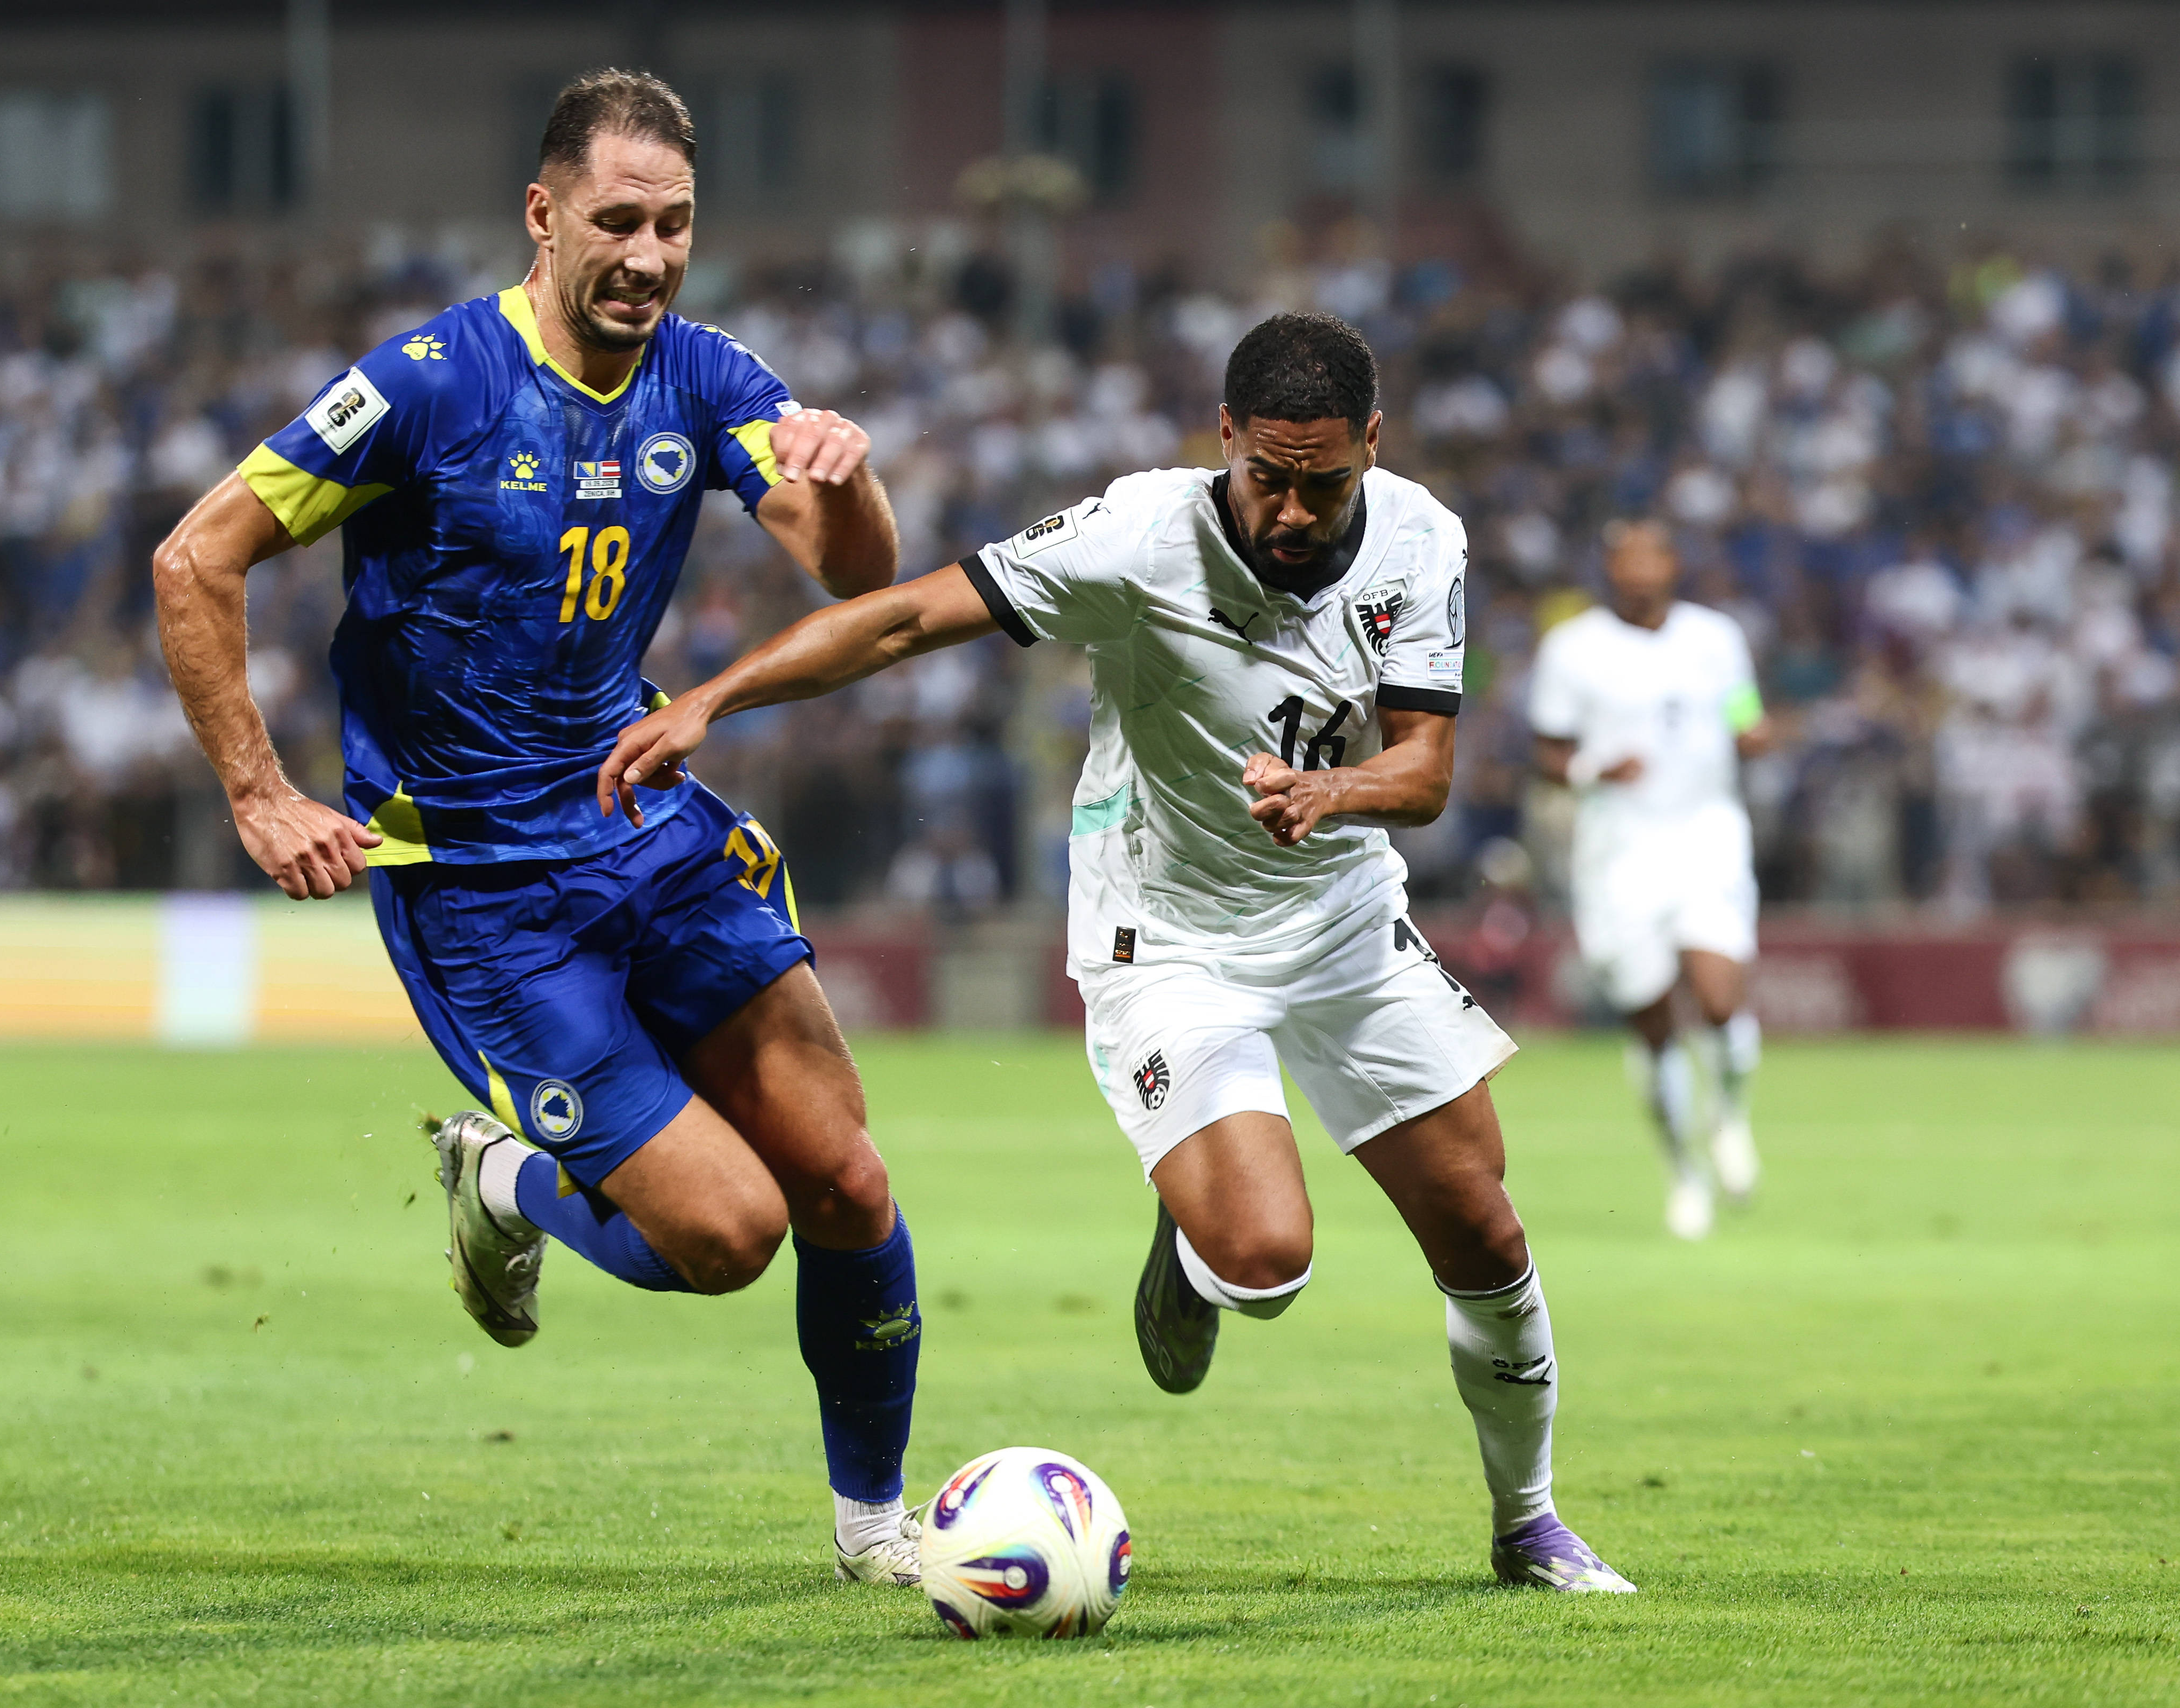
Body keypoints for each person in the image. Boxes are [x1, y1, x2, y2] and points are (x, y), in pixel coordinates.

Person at [600, 312, 1637, 1593]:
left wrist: (1337, 794)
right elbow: (901, 623)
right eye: (1269, 477)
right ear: (1225, 441)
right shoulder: (1140, 534)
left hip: (1343, 919)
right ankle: (1192, 1239)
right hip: (1172, 935)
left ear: (1374, 445)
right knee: (1266, 1265)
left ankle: (1527, 1522)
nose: (1296, 510)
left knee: (1483, 1229)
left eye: (1326, 480)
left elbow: (1424, 771)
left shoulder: (1425, 540)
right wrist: (713, 697)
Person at [150, 69, 927, 1586]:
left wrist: (851, 477)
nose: (648, 254)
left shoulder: (705, 376)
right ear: (544, 214)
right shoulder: (428, 384)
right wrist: (260, 789)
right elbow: (198, 559)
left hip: (645, 829)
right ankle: (504, 1180)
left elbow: (853, 574)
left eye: (677, 225)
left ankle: (878, 1532)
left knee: (846, 1183)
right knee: (729, 1238)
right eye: (619, 221)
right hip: (484, 894)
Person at [1526, 521, 1772, 1241]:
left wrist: (1751, 732)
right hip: (1619, 852)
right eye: (1623, 560)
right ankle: (1684, 1171)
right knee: (1654, 1022)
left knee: (1721, 995)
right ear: (1608, 569)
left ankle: (1727, 1115)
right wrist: (1589, 771)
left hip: (1706, 835)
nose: (1637, 572)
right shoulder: (1573, 650)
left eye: (1650, 558)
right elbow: (1546, 751)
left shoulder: (1716, 638)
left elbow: (1741, 711)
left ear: (1673, 565)